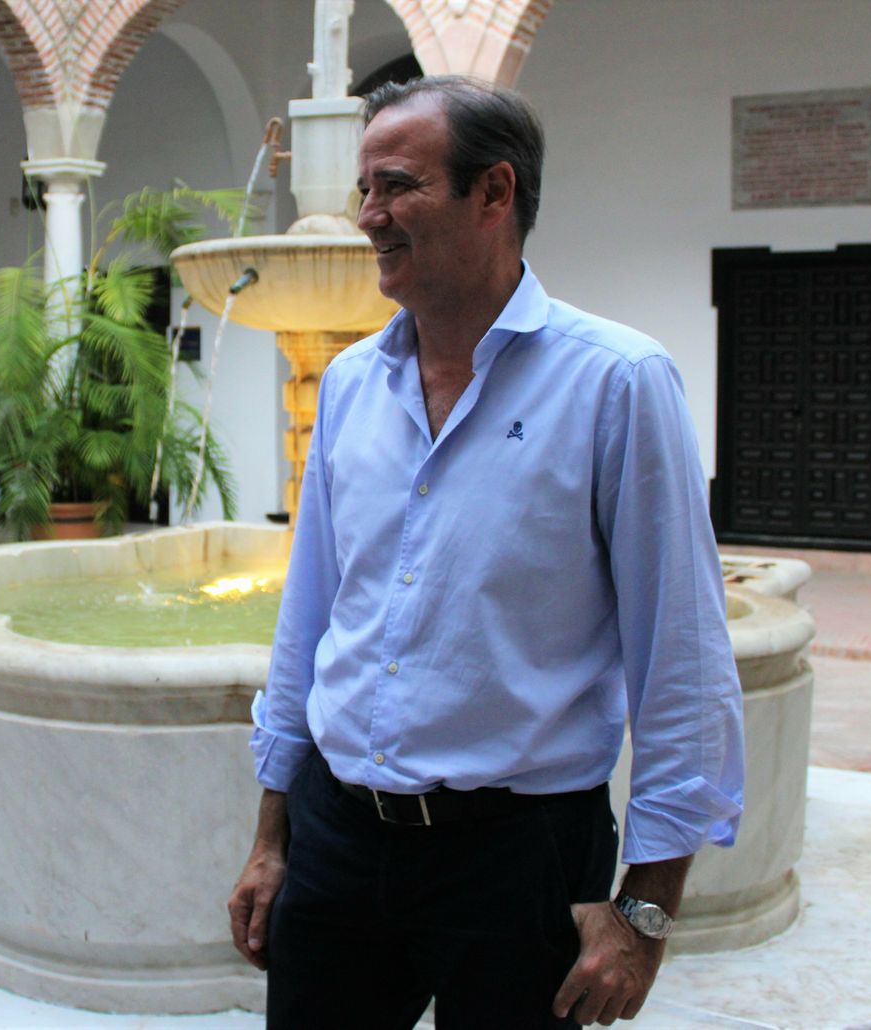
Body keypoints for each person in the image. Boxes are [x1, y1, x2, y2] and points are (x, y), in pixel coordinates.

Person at [227, 75, 745, 1028]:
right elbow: (310, 620)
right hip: (339, 832)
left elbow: (685, 664)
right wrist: (273, 834)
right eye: (365, 192)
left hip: (521, 857)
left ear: (495, 193)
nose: (369, 216)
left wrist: (644, 915)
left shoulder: (616, 384)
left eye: (396, 187)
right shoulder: (349, 383)